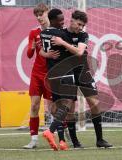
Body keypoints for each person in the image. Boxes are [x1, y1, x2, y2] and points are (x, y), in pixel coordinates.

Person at [50, 10, 113, 148]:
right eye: (78, 24)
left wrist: (63, 44)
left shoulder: (83, 35)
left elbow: (79, 52)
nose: (80, 27)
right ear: (71, 20)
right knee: (71, 109)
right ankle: (75, 142)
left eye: (82, 25)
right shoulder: (60, 33)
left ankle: (100, 139)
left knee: (95, 104)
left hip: (83, 72)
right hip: (68, 73)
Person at [40, 8, 77, 151]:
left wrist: (46, 54)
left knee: (59, 107)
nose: (63, 22)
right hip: (65, 73)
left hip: (52, 74)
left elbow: (42, 50)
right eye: (60, 20)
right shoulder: (62, 34)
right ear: (53, 20)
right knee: (67, 104)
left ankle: (62, 141)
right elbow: (75, 51)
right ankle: (50, 130)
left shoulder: (43, 33)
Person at [23, 3, 54, 149]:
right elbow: (29, 55)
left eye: (41, 14)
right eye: (36, 15)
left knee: (53, 108)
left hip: (51, 74)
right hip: (37, 73)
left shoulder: (57, 31)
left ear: (48, 12)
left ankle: (63, 133)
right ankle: (33, 140)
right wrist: (32, 47)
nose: (39, 17)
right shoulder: (33, 32)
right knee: (34, 105)